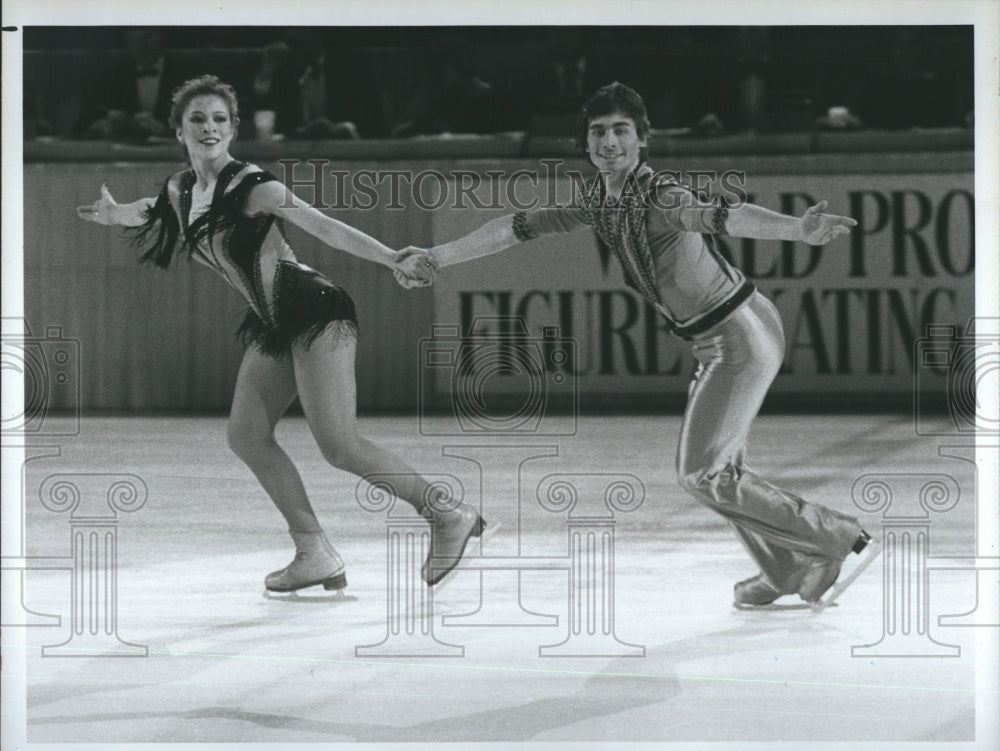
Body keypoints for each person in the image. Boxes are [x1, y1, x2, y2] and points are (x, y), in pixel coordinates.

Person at [396, 82, 875, 610]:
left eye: (622, 130)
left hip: (739, 334)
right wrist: (439, 256)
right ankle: (785, 569)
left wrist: (796, 231)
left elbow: (718, 215)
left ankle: (831, 537)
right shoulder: (601, 202)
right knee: (719, 469)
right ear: (585, 142)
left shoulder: (658, 196)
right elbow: (513, 228)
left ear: (642, 141)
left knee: (703, 474)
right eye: (598, 131)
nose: (609, 141)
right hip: (725, 333)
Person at [77, 75, 486, 594]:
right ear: (177, 129)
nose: (209, 128)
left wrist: (391, 258)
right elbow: (152, 209)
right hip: (274, 323)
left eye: (220, 119)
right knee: (246, 435)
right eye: (198, 119)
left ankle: (447, 513)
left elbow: (324, 226)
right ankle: (313, 551)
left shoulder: (255, 185)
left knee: (339, 444)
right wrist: (115, 215)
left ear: (234, 128)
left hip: (315, 310)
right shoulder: (181, 189)